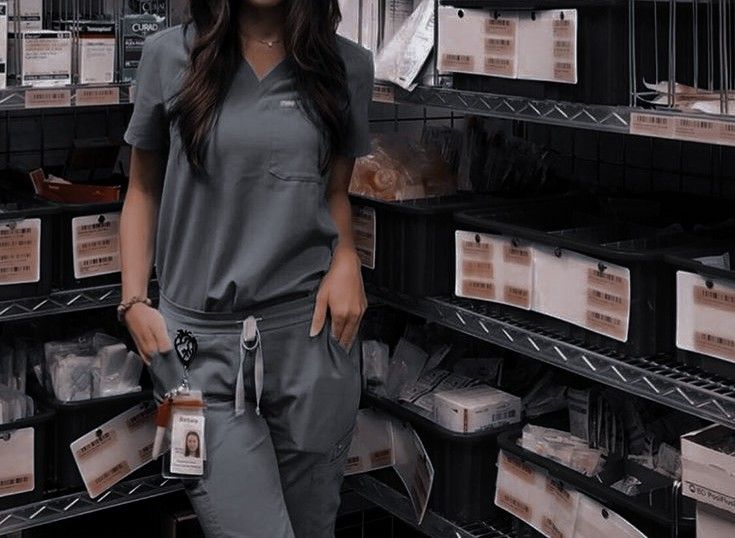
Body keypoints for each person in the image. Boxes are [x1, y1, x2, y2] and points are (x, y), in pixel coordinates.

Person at [118, 0, 373, 536]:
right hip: (197, 355)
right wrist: (134, 299)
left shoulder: (345, 66)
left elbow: (335, 194)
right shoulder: (170, 56)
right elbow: (142, 190)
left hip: (311, 343)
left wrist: (347, 256)